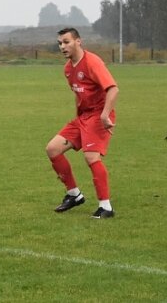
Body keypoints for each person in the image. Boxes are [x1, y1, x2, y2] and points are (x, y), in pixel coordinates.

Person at [46, 27, 119, 219]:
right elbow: (79, 95)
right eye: (60, 43)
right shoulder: (68, 69)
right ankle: (74, 195)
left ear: (79, 41)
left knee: (91, 157)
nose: (62, 46)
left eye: (66, 42)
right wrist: (79, 118)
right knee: (53, 149)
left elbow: (113, 89)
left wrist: (105, 115)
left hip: (98, 116)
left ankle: (106, 207)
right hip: (83, 118)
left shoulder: (92, 62)